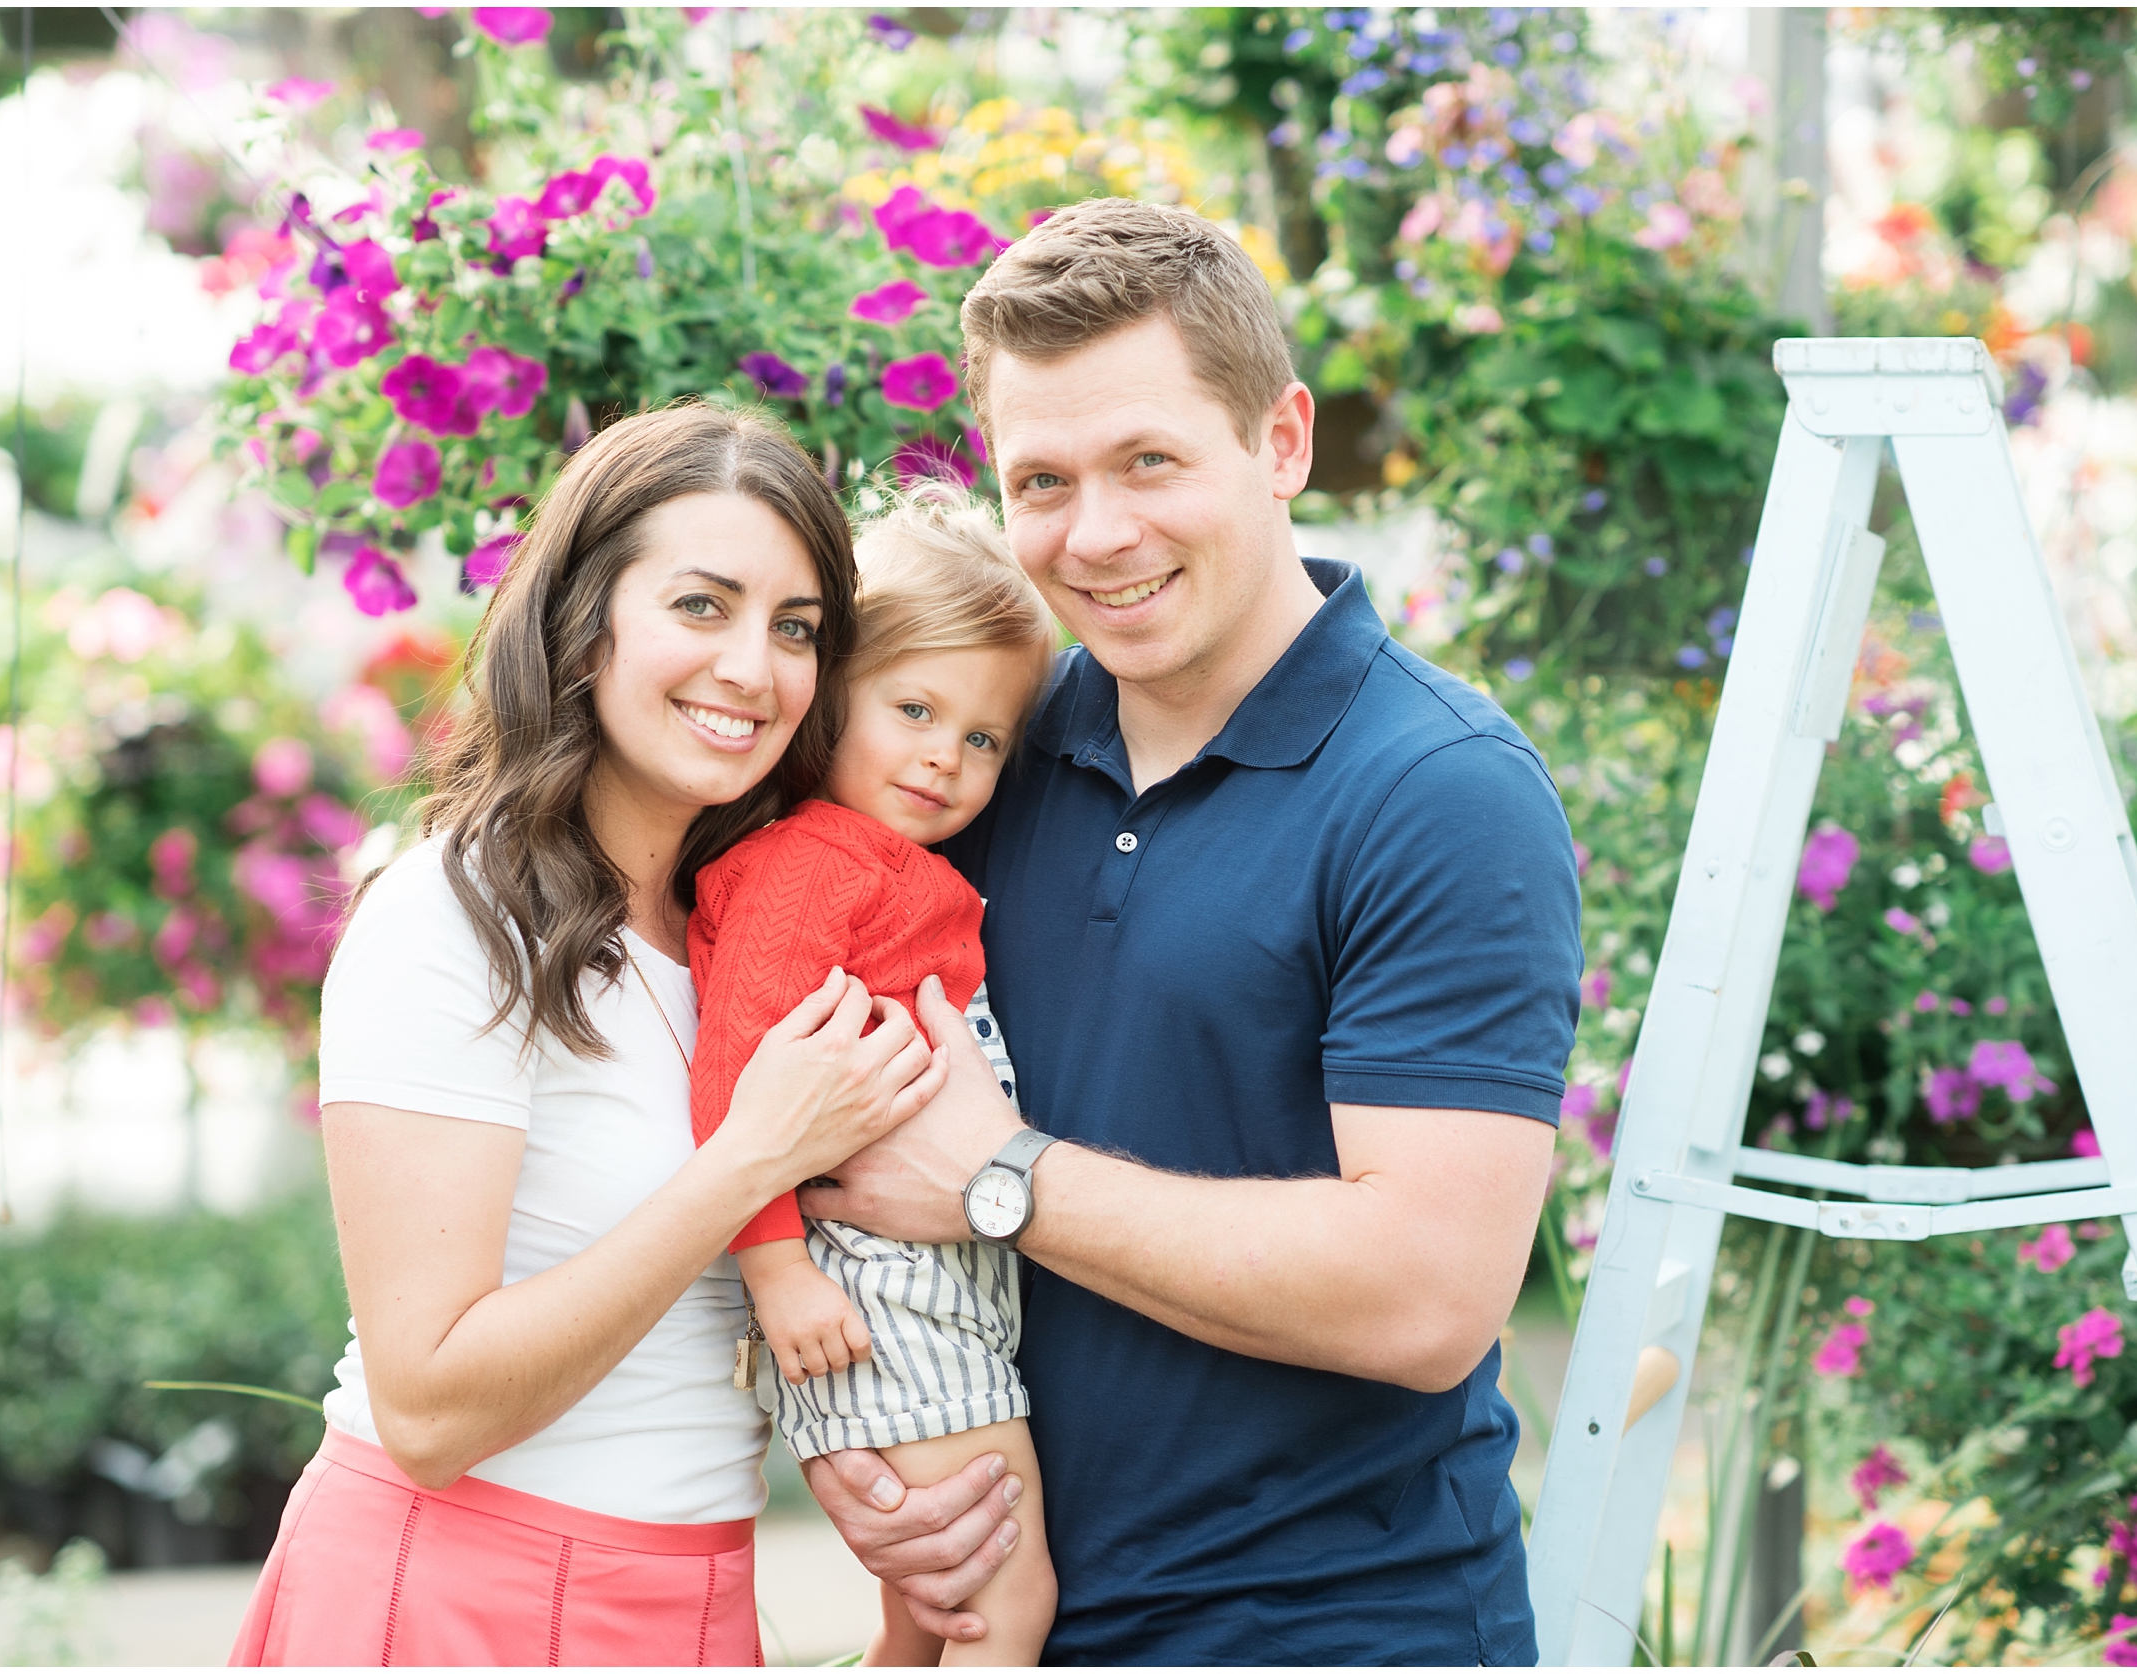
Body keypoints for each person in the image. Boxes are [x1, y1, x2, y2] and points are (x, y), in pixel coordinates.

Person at [795, 199, 1584, 1664]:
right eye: (1042, 479)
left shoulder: (1439, 791)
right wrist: (863, 1437)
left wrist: (998, 1179)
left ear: (1281, 444)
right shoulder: (986, 753)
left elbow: (1427, 1293)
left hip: (1337, 1630)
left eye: (1149, 460)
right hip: (1016, 1618)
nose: (1096, 534)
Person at [228, 405, 1015, 1667]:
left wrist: (912, 1596)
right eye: (701, 607)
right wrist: (750, 1161)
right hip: (456, 1595)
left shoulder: (747, 922)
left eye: (796, 629)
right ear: (582, 617)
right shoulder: (454, 916)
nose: (753, 670)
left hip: (688, 1602)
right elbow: (429, 1409)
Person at [686, 488, 1058, 1666]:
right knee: (1006, 1606)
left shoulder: (885, 860)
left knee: (924, 1617)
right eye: (913, 709)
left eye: (984, 737)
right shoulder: (811, 865)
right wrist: (779, 1268)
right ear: (830, 698)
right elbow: (736, 1075)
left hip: (923, 1279)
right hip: (872, 1288)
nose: (946, 756)